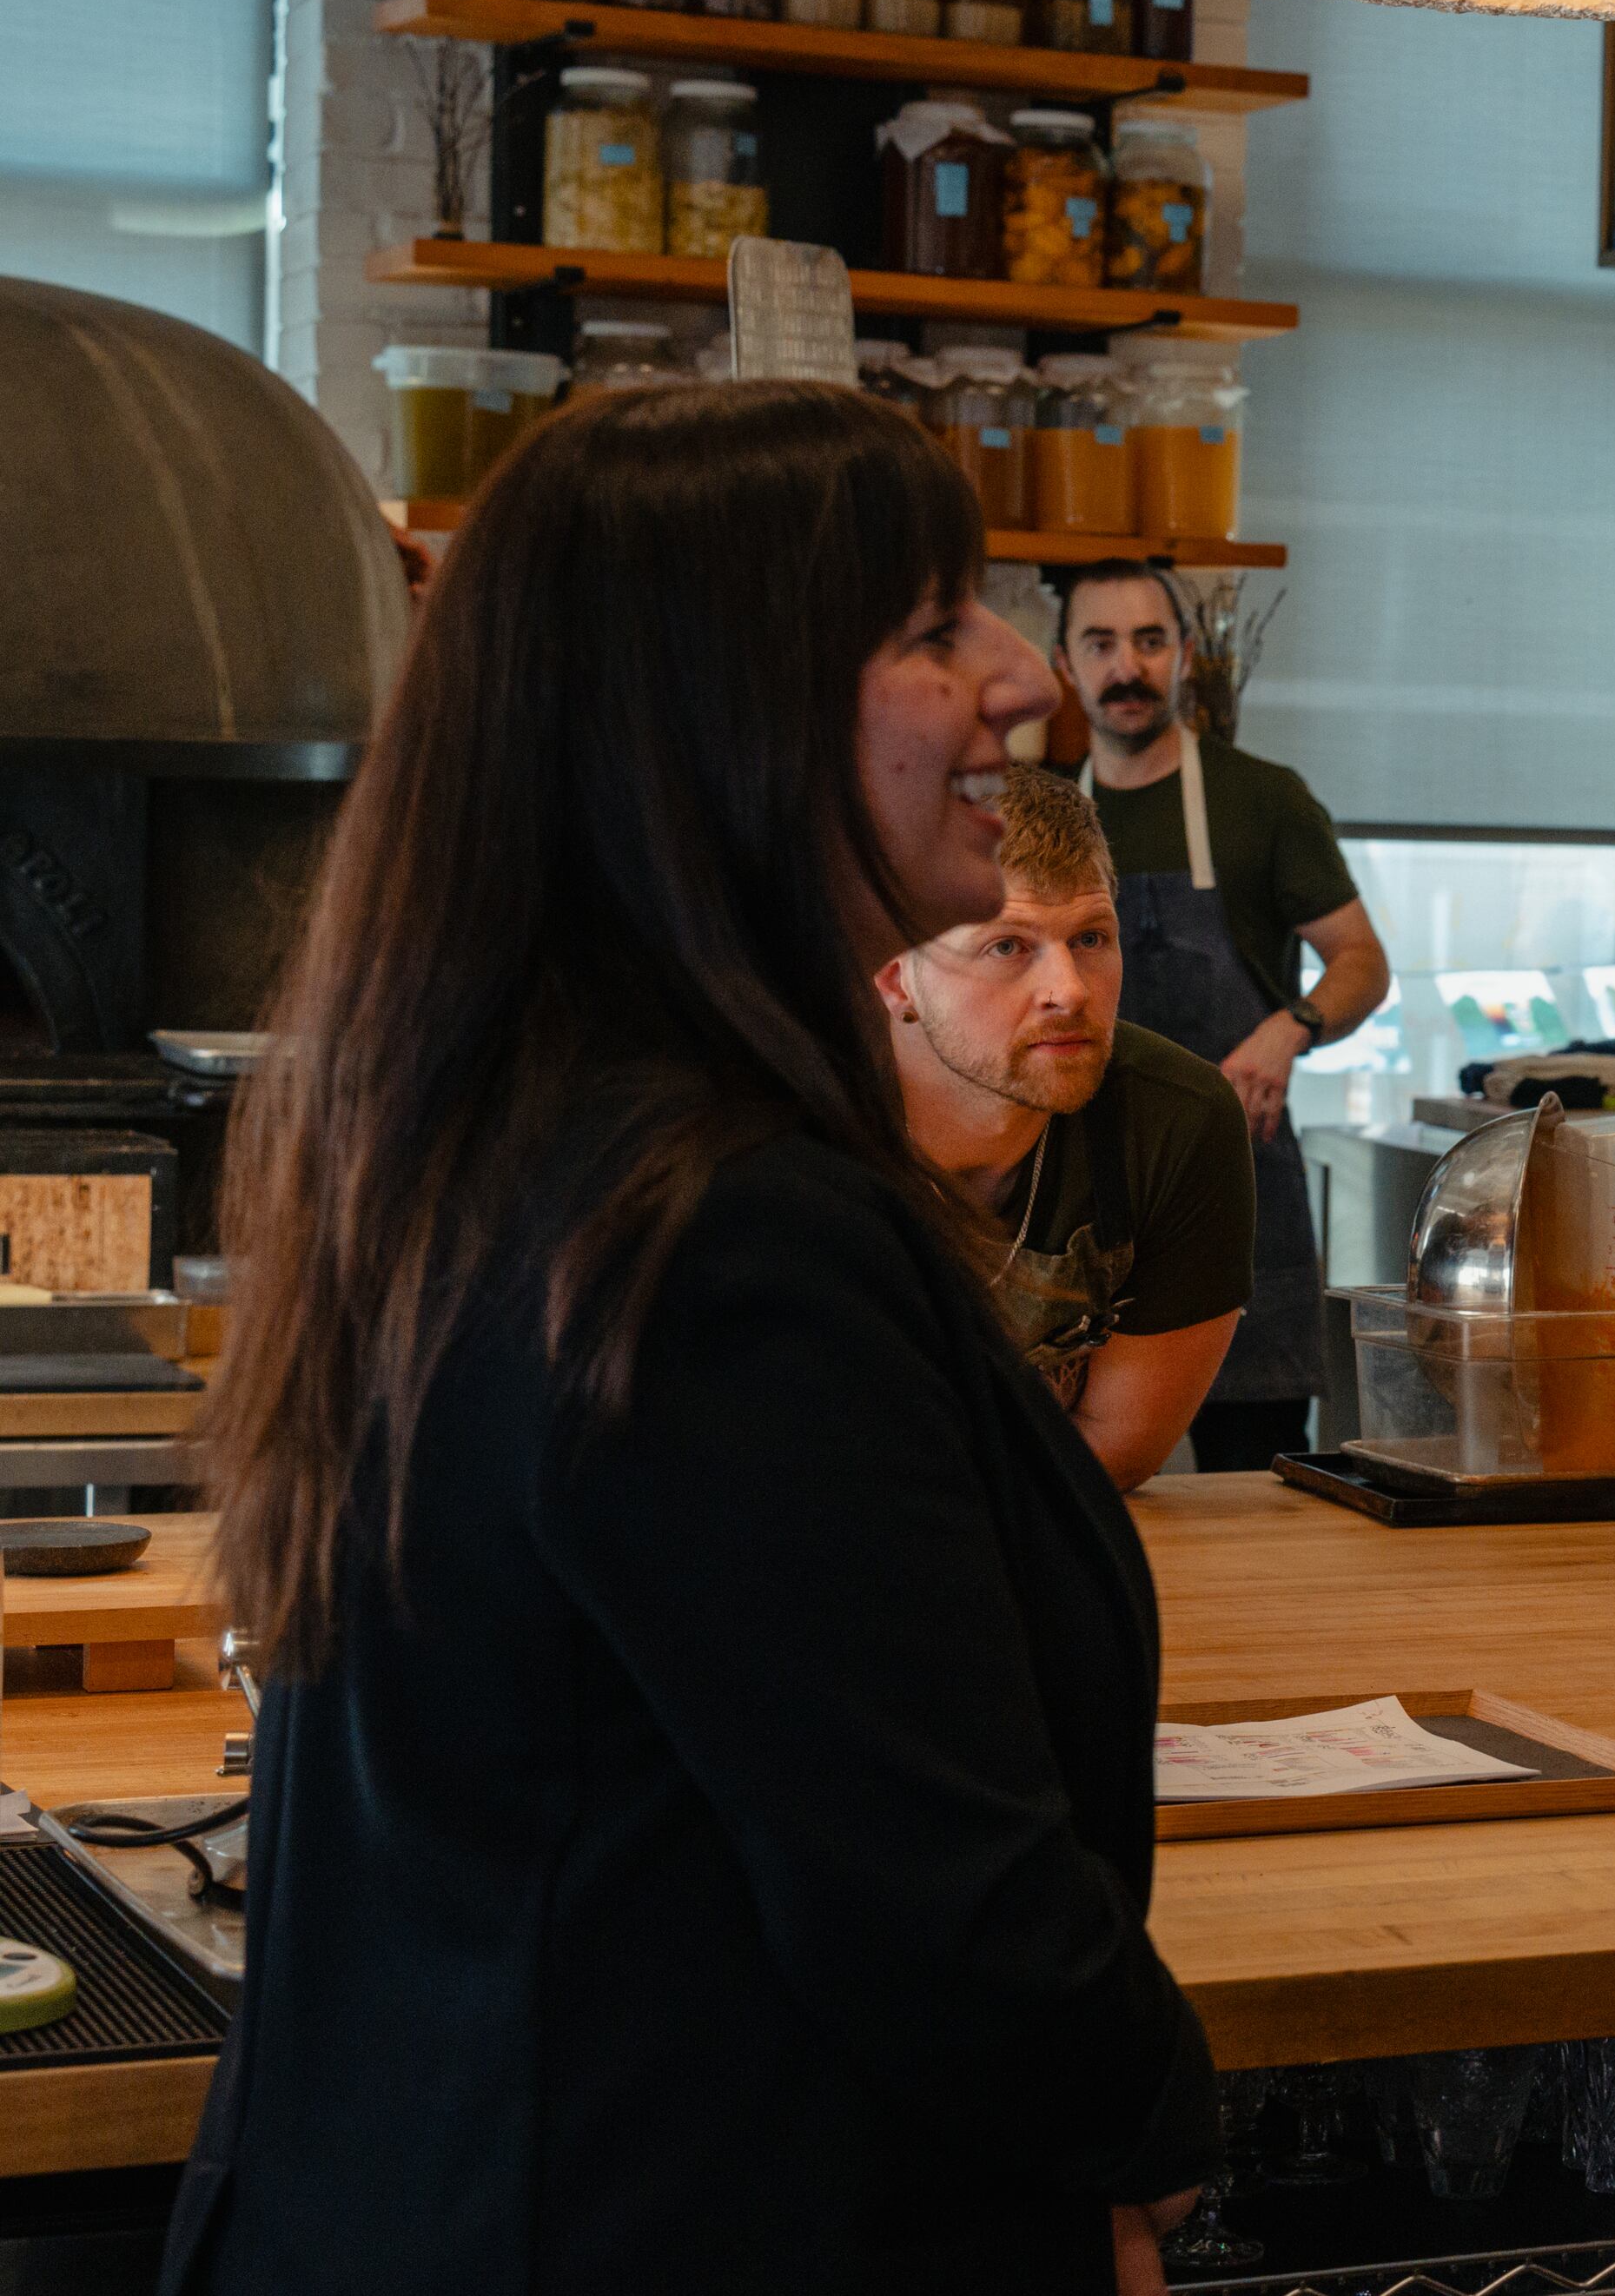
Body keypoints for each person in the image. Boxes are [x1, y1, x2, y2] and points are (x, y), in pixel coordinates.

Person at [182, 382, 1211, 2294]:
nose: (1024, 681)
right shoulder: (718, 1223)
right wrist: (1143, 2145)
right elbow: (940, 1894)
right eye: (930, 629)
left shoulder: (501, 1125)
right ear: (716, 718)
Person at [1062, 558, 1388, 1473]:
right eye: (1100, 643)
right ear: (1064, 665)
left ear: (1186, 655)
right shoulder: (1041, 814)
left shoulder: (1262, 799)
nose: (1126, 666)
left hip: (1237, 1185)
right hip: (1077, 1195)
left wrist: (1289, 1028)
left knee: (1261, 1477)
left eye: (1149, 640)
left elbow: (1361, 963)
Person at [876, 765, 1256, 1490]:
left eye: (1090, 938)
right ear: (896, 977)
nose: (1069, 991)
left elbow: (1116, 1445)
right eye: (1007, 946)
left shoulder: (1177, 1122)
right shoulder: (785, 1120)